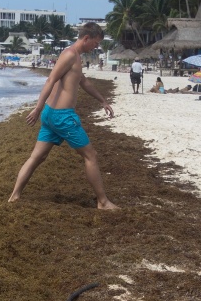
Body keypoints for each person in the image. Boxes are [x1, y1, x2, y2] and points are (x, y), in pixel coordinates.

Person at [8, 22, 118, 209]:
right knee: (91, 155)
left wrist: (103, 100)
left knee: (37, 157)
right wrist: (37, 108)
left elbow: (83, 81)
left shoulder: (75, 56)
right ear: (86, 38)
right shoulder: (69, 55)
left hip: (52, 116)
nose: (96, 47)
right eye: (96, 43)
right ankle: (103, 202)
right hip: (62, 117)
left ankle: (14, 196)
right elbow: (51, 79)